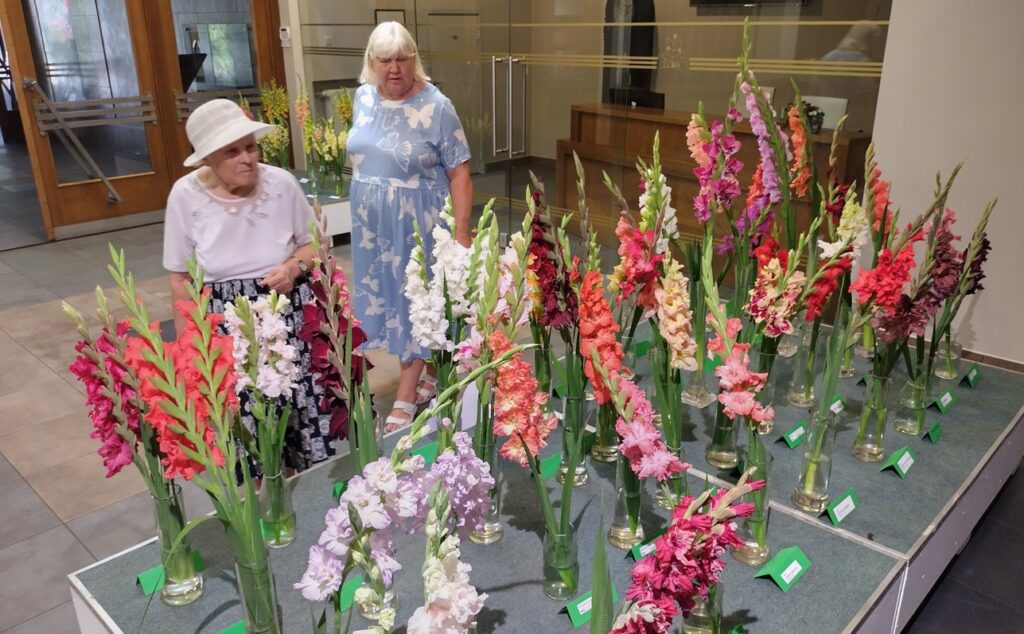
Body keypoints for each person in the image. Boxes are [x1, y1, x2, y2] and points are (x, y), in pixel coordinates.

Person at [163, 98, 335, 473]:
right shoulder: (185, 195)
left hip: (284, 311)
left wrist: (292, 268)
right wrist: (188, 352)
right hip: (224, 324)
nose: (247, 158)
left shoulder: (282, 184)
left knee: (298, 422)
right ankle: (264, 513)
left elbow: (314, 245)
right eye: (232, 151)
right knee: (245, 431)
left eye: (250, 146)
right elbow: (179, 277)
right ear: (208, 157)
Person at [346, 21, 473, 431]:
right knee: (389, 301)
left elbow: (460, 174)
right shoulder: (363, 98)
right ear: (372, 62)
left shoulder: (437, 106)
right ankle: (430, 373)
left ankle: (405, 391)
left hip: (418, 224)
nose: (394, 68)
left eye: (403, 58)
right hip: (372, 230)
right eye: (385, 60)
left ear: (414, 60)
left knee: (412, 305)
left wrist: (462, 236)